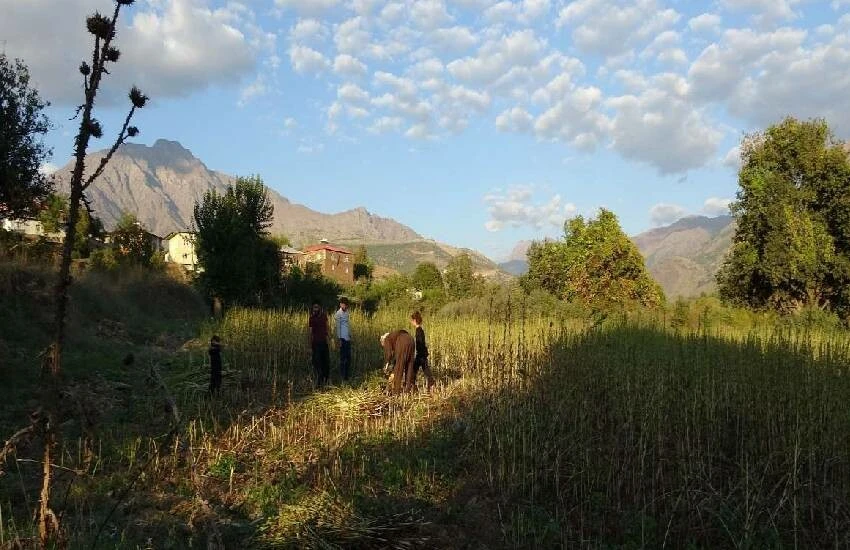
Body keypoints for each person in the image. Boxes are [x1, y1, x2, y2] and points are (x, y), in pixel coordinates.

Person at [380, 329, 415, 394]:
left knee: (399, 368)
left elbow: (389, 354)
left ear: (383, 341)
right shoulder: (394, 335)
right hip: (411, 340)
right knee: (410, 365)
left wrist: (386, 364)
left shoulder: (387, 339)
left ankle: (396, 391)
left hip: (402, 341)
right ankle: (408, 389)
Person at [411, 311, 436, 391]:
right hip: (422, 354)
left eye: (412, 320)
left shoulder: (418, 330)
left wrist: (419, 352)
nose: (411, 322)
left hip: (420, 355)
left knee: (415, 370)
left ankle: (413, 386)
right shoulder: (420, 330)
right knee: (424, 370)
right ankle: (430, 385)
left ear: (414, 320)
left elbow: (420, 342)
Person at [308, 301, 330, 388]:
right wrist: (309, 345)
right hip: (316, 343)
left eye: (317, 307)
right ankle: (319, 380)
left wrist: (330, 339)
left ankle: (326, 379)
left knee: (326, 361)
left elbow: (327, 328)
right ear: (312, 309)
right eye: (314, 307)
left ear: (320, 308)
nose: (315, 309)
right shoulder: (311, 318)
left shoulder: (324, 317)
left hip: (324, 342)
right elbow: (310, 333)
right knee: (317, 362)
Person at [333, 297, 352, 381]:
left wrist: (350, 335)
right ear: (340, 304)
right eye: (344, 304)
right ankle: (342, 377)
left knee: (348, 358)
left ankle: (347, 376)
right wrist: (339, 339)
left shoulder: (347, 312)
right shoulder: (338, 314)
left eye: (346, 305)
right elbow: (337, 328)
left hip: (347, 338)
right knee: (343, 359)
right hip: (342, 339)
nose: (345, 306)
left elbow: (348, 325)